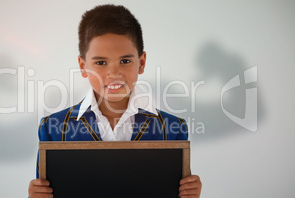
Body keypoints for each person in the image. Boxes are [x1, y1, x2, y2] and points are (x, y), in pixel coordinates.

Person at [28, 4, 202, 198]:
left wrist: (189, 193)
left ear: (141, 63)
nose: (113, 73)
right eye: (101, 63)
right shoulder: (53, 128)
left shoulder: (173, 128)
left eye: (125, 61)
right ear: (83, 66)